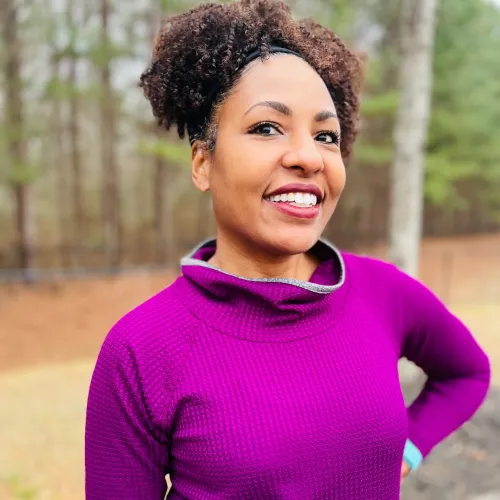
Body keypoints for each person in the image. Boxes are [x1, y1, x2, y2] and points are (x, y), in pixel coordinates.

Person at [85, 0, 491, 498]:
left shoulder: (384, 293)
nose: (306, 156)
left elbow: (467, 372)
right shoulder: (141, 350)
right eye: (266, 128)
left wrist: (409, 446)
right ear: (202, 163)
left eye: (326, 136)